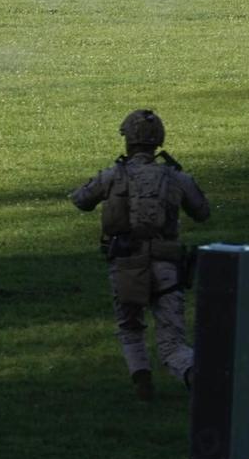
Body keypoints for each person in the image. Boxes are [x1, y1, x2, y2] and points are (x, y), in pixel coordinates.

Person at [70, 110, 212, 402]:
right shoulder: (175, 177)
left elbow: (81, 200)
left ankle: (142, 381)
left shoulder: (113, 175)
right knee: (172, 342)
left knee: (130, 327)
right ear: (158, 141)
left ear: (128, 141)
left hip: (125, 266)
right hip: (167, 266)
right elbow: (202, 212)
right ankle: (196, 375)